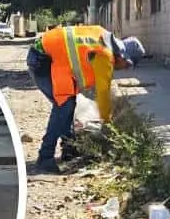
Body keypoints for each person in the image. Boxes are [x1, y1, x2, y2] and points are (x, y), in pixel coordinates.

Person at [25, 25, 142, 173]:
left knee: (69, 103)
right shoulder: (105, 55)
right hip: (43, 60)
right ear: (123, 56)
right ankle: (45, 158)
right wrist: (107, 122)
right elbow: (103, 93)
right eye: (126, 65)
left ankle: (69, 148)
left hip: (44, 56)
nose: (123, 69)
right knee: (64, 107)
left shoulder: (103, 36)